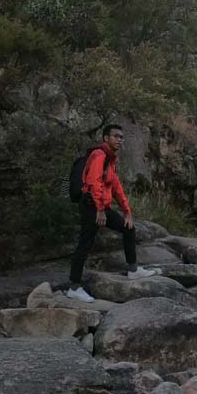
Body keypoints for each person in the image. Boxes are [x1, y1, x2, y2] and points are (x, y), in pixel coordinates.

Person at [66, 124, 159, 302]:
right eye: (116, 136)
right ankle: (74, 287)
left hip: (101, 207)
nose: (119, 140)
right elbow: (94, 183)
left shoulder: (111, 160)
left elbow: (116, 187)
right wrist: (100, 210)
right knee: (85, 244)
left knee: (128, 227)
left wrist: (127, 211)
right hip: (91, 206)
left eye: (121, 137)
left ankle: (133, 270)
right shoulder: (99, 155)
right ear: (106, 138)